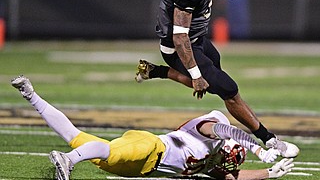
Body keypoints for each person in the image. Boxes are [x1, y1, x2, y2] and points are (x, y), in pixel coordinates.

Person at [135, 0, 299, 158]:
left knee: (212, 82)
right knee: (228, 89)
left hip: (198, 40)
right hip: (179, 47)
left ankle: (154, 72)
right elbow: (179, 36)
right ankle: (269, 139)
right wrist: (195, 74)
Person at [11, 75, 294, 180]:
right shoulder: (210, 128)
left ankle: (30, 95)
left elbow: (234, 178)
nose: (226, 162)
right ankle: (67, 162)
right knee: (106, 150)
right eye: (229, 156)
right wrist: (256, 145)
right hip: (150, 146)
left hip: (140, 169)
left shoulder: (211, 164)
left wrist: (270, 173)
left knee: (77, 137)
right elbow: (226, 132)